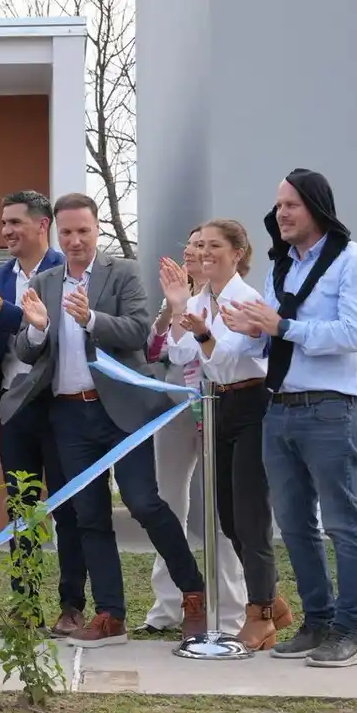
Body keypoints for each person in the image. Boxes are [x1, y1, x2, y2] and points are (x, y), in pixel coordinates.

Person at [8, 193, 208, 647]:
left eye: (83, 230)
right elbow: (26, 348)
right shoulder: (47, 279)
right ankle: (110, 614)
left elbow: (139, 330)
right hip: (69, 415)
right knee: (88, 515)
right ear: (55, 233)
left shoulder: (123, 273)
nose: (75, 240)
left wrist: (92, 317)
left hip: (120, 411)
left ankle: (192, 593)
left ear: (97, 230)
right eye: (67, 232)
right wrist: (38, 327)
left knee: (144, 502)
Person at [222, 169, 357, 668]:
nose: (280, 214)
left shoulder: (356, 263)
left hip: (331, 409)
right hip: (280, 408)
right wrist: (243, 330)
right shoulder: (282, 271)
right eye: (277, 206)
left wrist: (282, 325)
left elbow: (353, 333)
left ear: (316, 207)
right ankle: (317, 622)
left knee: (343, 523)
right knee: (293, 525)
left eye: (290, 205)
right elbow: (268, 336)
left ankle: (350, 631)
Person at [162, 219, 293, 649]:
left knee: (251, 514)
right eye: (200, 246)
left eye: (215, 246)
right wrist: (179, 307)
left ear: (237, 253)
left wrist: (202, 333)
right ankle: (270, 599)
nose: (204, 253)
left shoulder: (247, 298)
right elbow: (180, 354)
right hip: (216, 405)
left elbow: (225, 358)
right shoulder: (201, 298)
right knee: (227, 515)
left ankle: (260, 613)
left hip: (251, 404)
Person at [0, 190, 86, 636]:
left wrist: (2, 309)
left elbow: (50, 334)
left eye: (15, 222)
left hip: (60, 405)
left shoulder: (64, 270)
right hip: (14, 407)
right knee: (22, 508)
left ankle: (72, 605)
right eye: (3, 224)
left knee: (68, 510)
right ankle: (26, 602)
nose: (7, 231)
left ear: (41, 225)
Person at [141, 227, 247, 636]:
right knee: (168, 505)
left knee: (221, 510)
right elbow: (156, 349)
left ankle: (229, 611)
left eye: (203, 247)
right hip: (176, 409)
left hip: (221, 407)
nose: (194, 253)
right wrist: (172, 307)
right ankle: (170, 605)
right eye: (190, 247)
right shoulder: (181, 296)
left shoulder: (229, 294)